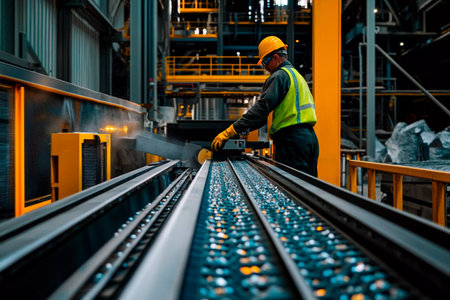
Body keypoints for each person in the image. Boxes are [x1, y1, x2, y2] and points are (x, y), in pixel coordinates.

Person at [211, 36, 319, 176]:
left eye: (265, 62)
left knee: (293, 189)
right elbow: (263, 118)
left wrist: (231, 131)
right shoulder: (296, 75)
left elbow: (262, 109)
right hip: (309, 139)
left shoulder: (279, 76)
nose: (265, 67)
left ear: (275, 57)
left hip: (292, 141)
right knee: (308, 188)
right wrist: (243, 130)